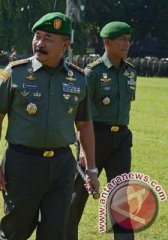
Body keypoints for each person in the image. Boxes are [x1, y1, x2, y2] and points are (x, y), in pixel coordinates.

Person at [0, 12, 99, 240]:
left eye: (48, 39)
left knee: (55, 230)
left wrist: (92, 170)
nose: (39, 43)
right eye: (37, 36)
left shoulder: (78, 78)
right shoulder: (15, 72)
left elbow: (85, 124)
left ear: (64, 45)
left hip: (61, 165)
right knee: (15, 229)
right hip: (22, 163)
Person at [68, 21, 136, 240]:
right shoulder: (93, 73)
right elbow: (79, 113)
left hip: (122, 139)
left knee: (121, 195)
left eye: (129, 39)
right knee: (78, 194)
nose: (127, 43)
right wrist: (82, 148)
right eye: (122, 39)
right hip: (94, 137)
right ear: (107, 42)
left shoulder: (130, 72)